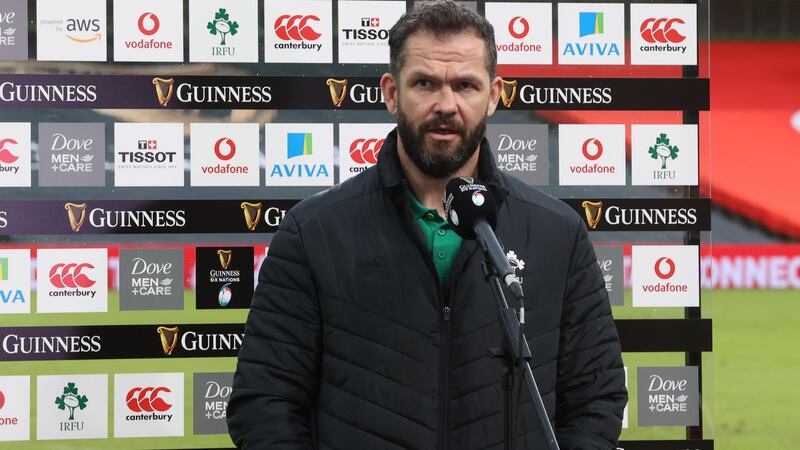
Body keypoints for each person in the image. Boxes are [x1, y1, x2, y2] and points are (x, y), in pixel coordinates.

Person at [227, 1, 627, 448]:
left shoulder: (558, 233)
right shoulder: (313, 232)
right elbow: (264, 404)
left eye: (465, 86)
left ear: (494, 95)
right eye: (424, 83)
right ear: (392, 92)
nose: (446, 105)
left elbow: (597, 400)